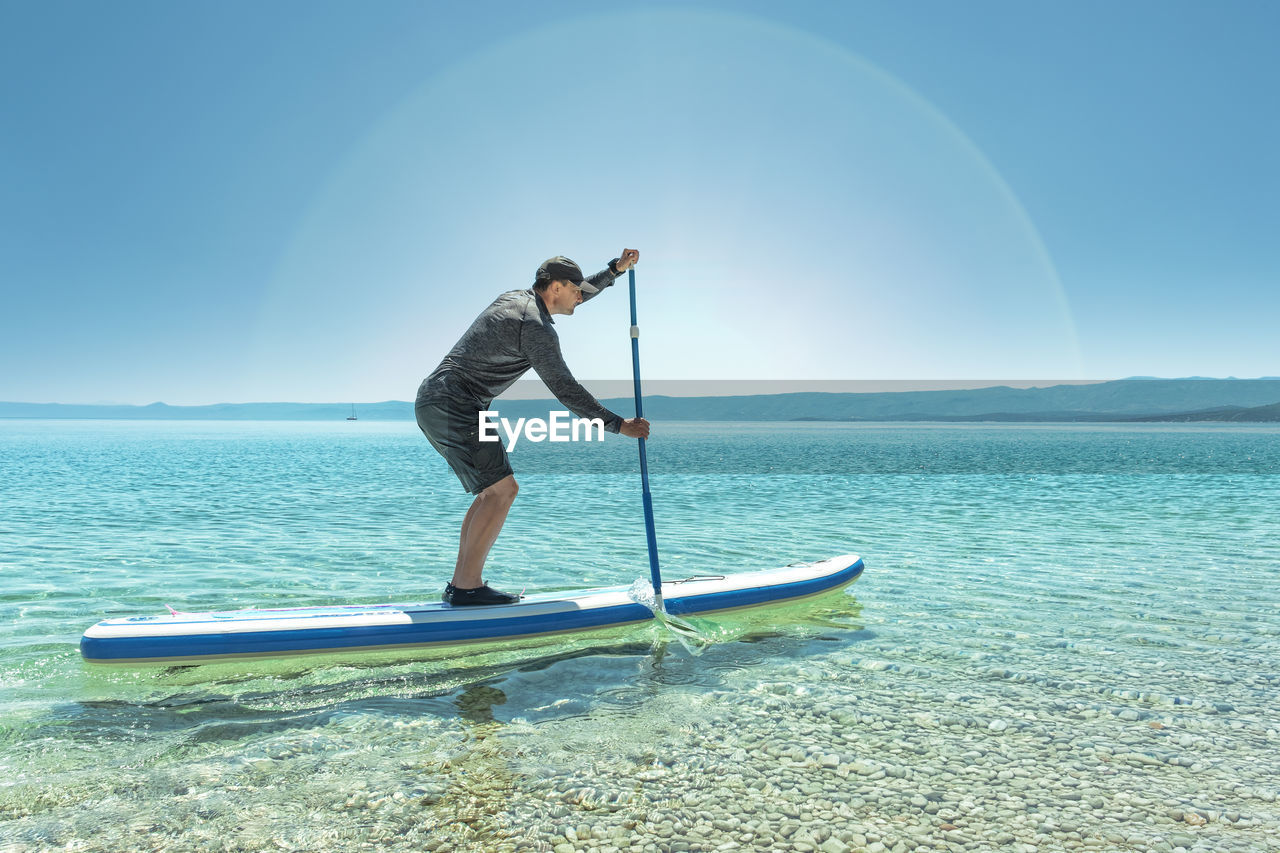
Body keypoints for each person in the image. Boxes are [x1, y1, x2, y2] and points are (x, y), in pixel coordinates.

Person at [416, 249, 650, 606]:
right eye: (575, 290)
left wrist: (613, 271)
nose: (580, 296)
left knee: (490, 493)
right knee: (502, 491)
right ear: (555, 287)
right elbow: (565, 389)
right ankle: (466, 588)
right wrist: (618, 425)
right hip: (455, 403)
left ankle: (461, 585)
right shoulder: (536, 329)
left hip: (437, 400)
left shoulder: (515, 299)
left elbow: (584, 292)